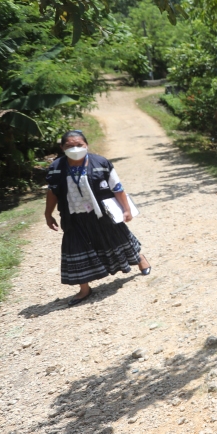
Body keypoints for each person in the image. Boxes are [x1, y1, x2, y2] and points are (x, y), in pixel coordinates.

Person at [44, 130, 151, 305]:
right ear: (62, 147)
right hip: (74, 217)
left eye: (79, 145)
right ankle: (84, 289)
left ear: (87, 145)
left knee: (118, 238)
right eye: (70, 146)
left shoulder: (101, 163)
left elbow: (117, 187)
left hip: (102, 213)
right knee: (75, 250)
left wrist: (126, 209)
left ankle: (140, 259)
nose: (75, 149)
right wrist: (48, 214)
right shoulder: (56, 168)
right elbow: (53, 193)